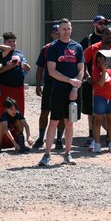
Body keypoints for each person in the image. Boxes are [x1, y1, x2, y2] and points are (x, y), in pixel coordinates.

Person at [38, 19, 84, 167]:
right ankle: (47, 154)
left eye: (68, 29)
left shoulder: (77, 47)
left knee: (69, 122)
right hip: (58, 89)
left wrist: (75, 88)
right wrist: (70, 81)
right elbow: (52, 71)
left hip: (73, 91)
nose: (66, 32)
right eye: (64, 29)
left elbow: (81, 70)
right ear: (59, 30)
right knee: (54, 121)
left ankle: (67, 154)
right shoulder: (53, 47)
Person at [83, 25, 111, 150]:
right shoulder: (94, 48)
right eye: (106, 34)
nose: (109, 36)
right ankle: (95, 141)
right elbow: (82, 60)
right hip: (99, 87)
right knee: (97, 115)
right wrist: (87, 76)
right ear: (101, 35)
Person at [80, 15, 108, 147]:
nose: (102, 25)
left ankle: (108, 136)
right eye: (100, 23)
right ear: (94, 24)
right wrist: (86, 76)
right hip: (91, 79)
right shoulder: (88, 40)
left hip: (106, 79)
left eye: (104, 23)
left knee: (107, 107)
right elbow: (81, 60)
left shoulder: (109, 39)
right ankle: (91, 135)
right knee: (90, 109)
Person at [33, 24, 61, 150]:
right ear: (51, 34)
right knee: (45, 111)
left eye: (60, 31)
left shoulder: (68, 47)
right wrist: (38, 84)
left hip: (63, 84)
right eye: (56, 32)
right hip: (49, 84)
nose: (58, 34)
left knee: (61, 112)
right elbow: (40, 68)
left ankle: (59, 139)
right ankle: (41, 138)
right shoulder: (46, 48)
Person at [90, 51, 111, 153]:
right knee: (98, 120)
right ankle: (97, 144)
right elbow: (101, 83)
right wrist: (103, 71)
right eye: (105, 58)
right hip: (100, 97)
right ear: (99, 59)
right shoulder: (96, 70)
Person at [0, 32, 30, 117]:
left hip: (19, 87)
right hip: (5, 87)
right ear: (4, 43)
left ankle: (18, 126)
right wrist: (8, 67)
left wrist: (27, 67)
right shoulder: (1, 54)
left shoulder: (19, 53)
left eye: (14, 41)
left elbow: (25, 67)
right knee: (4, 113)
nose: (12, 43)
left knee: (19, 113)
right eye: (9, 42)